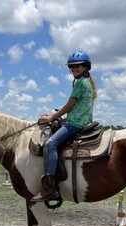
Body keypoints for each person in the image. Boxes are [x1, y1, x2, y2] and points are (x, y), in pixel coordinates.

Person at [31, 50, 97, 202]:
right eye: (72, 67)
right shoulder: (88, 83)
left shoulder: (80, 83)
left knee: (51, 143)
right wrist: (64, 119)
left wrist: (51, 117)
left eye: (78, 66)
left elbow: (69, 105)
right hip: (81, 120)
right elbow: (78, 109)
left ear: (86, 67)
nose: (74, 69)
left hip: (76, 124)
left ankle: (49, 186)